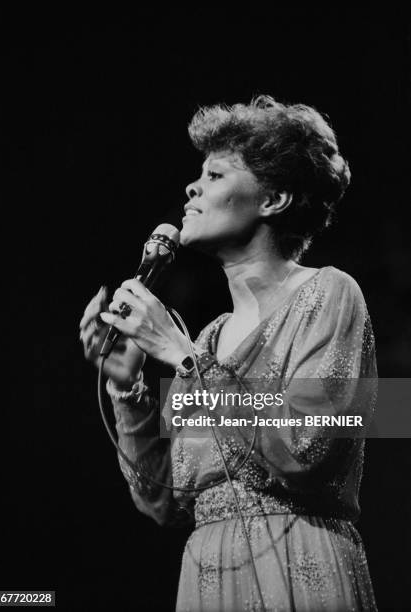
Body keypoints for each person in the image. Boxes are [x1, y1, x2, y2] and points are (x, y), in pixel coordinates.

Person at [79, 95, 378, 611]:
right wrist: (128, 388)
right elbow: (163, 501)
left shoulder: (330, 295)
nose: (192, 188)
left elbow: (304, 448)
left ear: (275, 199)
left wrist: (185, 360)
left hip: (300, 563)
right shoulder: (210, 338)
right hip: (209, 576)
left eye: (216, 176)